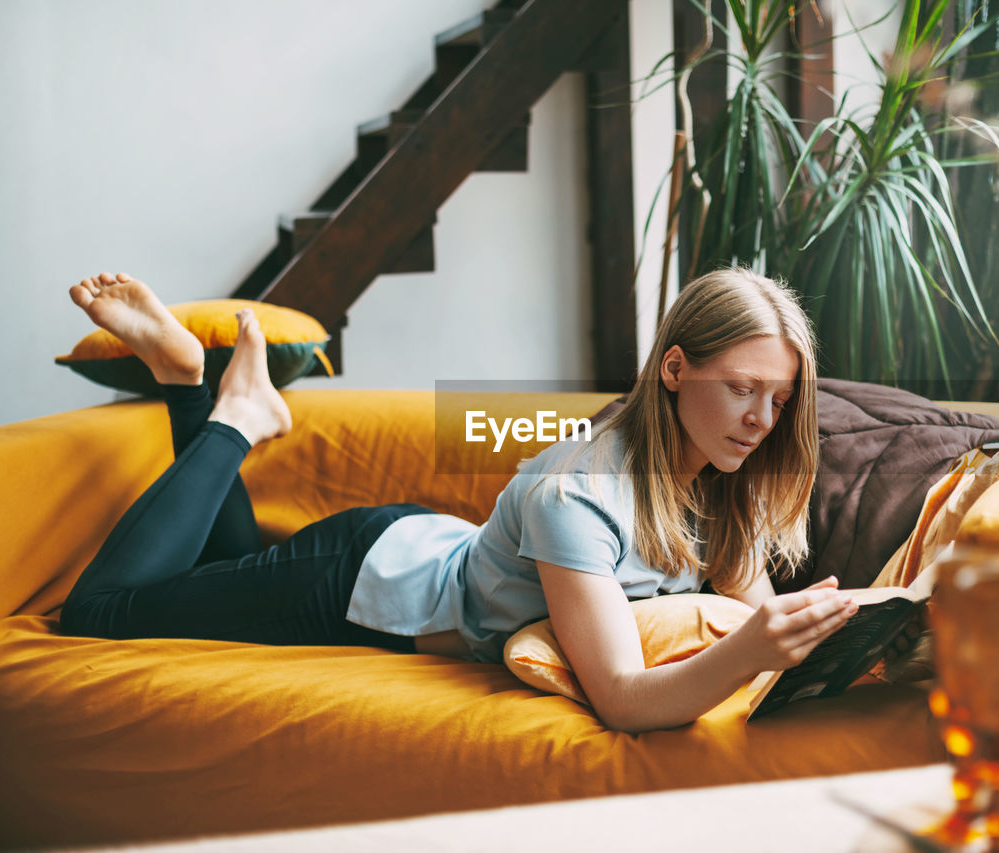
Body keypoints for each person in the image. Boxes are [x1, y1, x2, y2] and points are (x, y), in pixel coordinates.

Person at [60, 268, 860, 733]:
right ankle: (233, 416)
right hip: (355, 583)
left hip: (428, 545)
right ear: (676, 369)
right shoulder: (576, 492)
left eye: (780, 398)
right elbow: (620, 696)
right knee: (98, 612)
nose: (762, 418)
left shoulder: (728, 480)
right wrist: (753, 649)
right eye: (743, 389)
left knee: (227, 565)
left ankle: (186, 383)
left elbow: (748, 613)